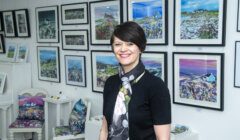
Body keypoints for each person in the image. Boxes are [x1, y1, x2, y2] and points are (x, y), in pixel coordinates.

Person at [99, 21, 171, 140]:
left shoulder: (156, 86)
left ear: (141, 47)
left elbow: (163, 138)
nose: (123, 49)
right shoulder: (110, 83)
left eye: (130, 44)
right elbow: (105, 130)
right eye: (117, 44)